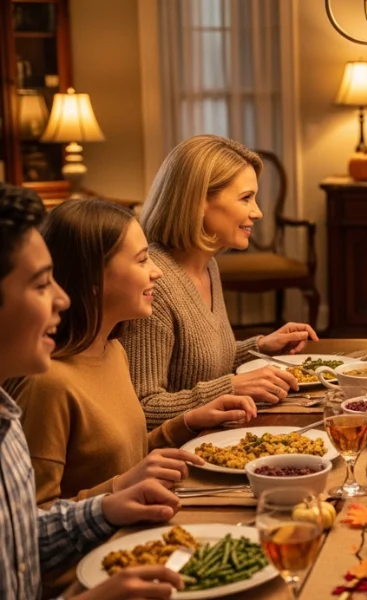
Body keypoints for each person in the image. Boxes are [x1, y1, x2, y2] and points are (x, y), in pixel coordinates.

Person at [0, 183, 185, 600]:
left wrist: (107, 505)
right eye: (40, 283)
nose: (61, 298)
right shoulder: (44, 385)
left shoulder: (7, 419)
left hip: (129, 543)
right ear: (93, 278)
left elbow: (23, 536)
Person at [12, 199, 258, 506]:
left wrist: (188, 422)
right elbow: (34, 518)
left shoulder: (113, 351)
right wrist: (119, 487)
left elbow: (126, 458)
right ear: (93, 279)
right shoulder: (47, 386)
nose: (157, 272)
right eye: (142, 260)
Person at [120, 135, 318, 429]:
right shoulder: (155, 282)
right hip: (175, 458)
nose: (258, 212)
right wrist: (231, 387)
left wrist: (261, 345)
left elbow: (200, 366)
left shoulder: (207, 265)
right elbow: (142, 409)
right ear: (199, 201)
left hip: (217, 434)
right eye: (245, 198)